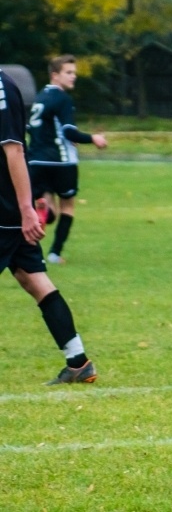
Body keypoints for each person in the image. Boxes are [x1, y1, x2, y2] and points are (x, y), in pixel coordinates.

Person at [0, 68, 97, 385]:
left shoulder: (2, 87)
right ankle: (78, 361)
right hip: (12, 207)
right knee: (33, 278)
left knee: (34, 278)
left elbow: (13, 149)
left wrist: (27, 208)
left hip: (6, 207)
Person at [27, 54, 108, 264]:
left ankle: (36, 250)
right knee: (68, 208)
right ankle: (54, 253)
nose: (74, 77)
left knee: (45, 207)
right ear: (55, 75)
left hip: (35, 161)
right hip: (62, 162)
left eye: (74, 73)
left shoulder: (39, 97)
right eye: (69, 73)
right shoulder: (62, 99)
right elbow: (69, 132)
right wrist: (94, 138)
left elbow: (32, 128)